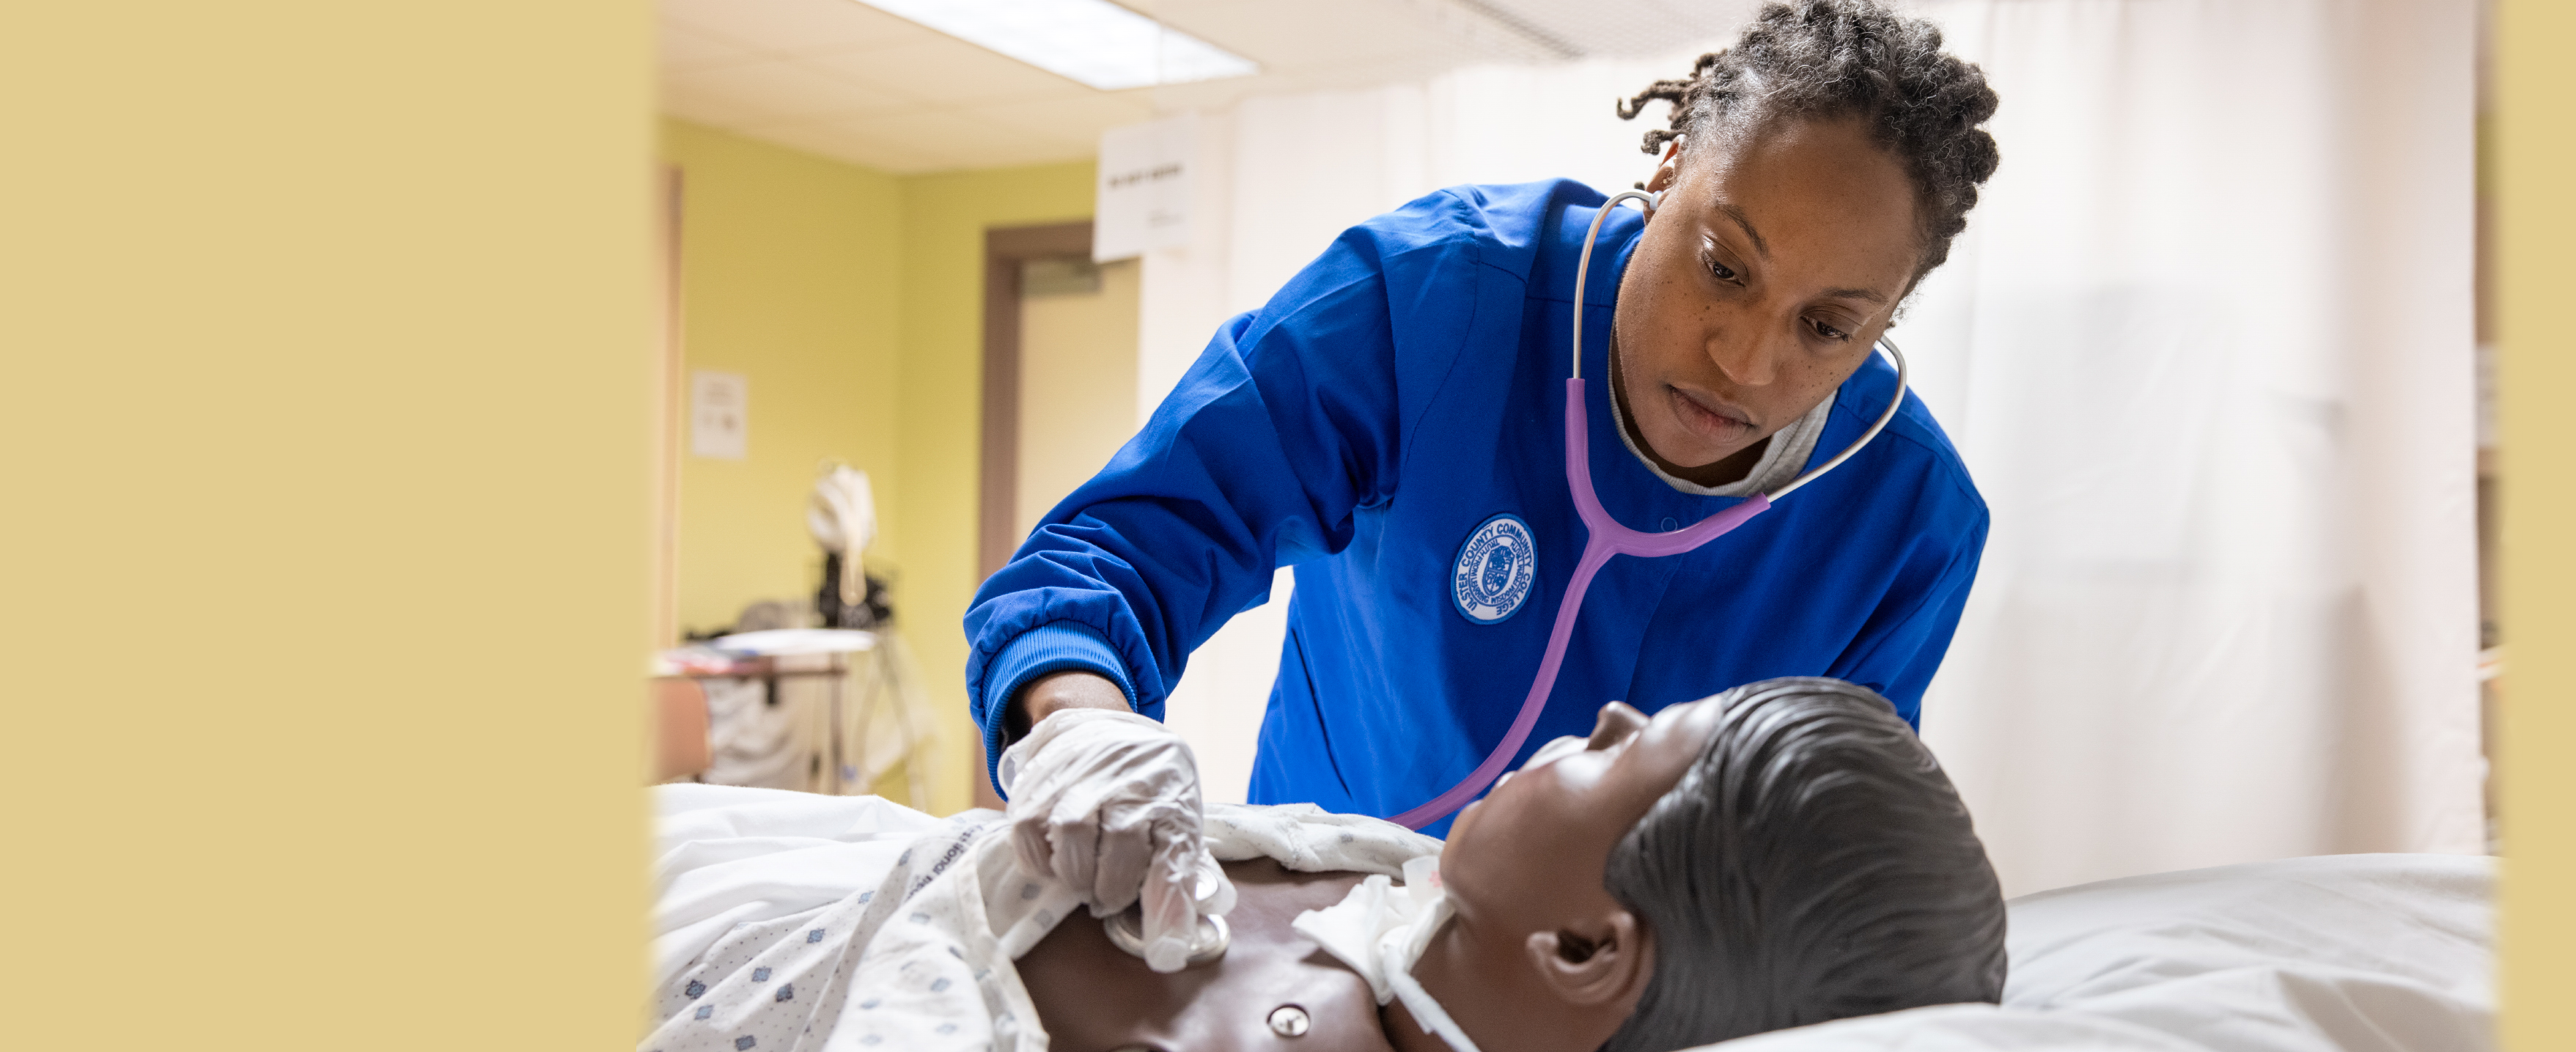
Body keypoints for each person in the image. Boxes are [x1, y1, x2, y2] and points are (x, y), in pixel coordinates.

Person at [965, 0, 2005, 834]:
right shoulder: (1431, 303)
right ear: (1671, 167)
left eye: (1827, 326)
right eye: (1723, 266)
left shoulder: (1907, 523)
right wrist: (1080, 733)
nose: (1745, 360)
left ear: (1890, 318)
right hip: (1315, 931)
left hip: (1616, 992)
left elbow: (1823, 832)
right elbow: (1120, 548)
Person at [641, 679, 2005, 1052]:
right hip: (781, 849)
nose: (1599, 714)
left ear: (1588, 949)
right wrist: (1091, 738)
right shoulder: (1418, 901)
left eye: (1626, 748)